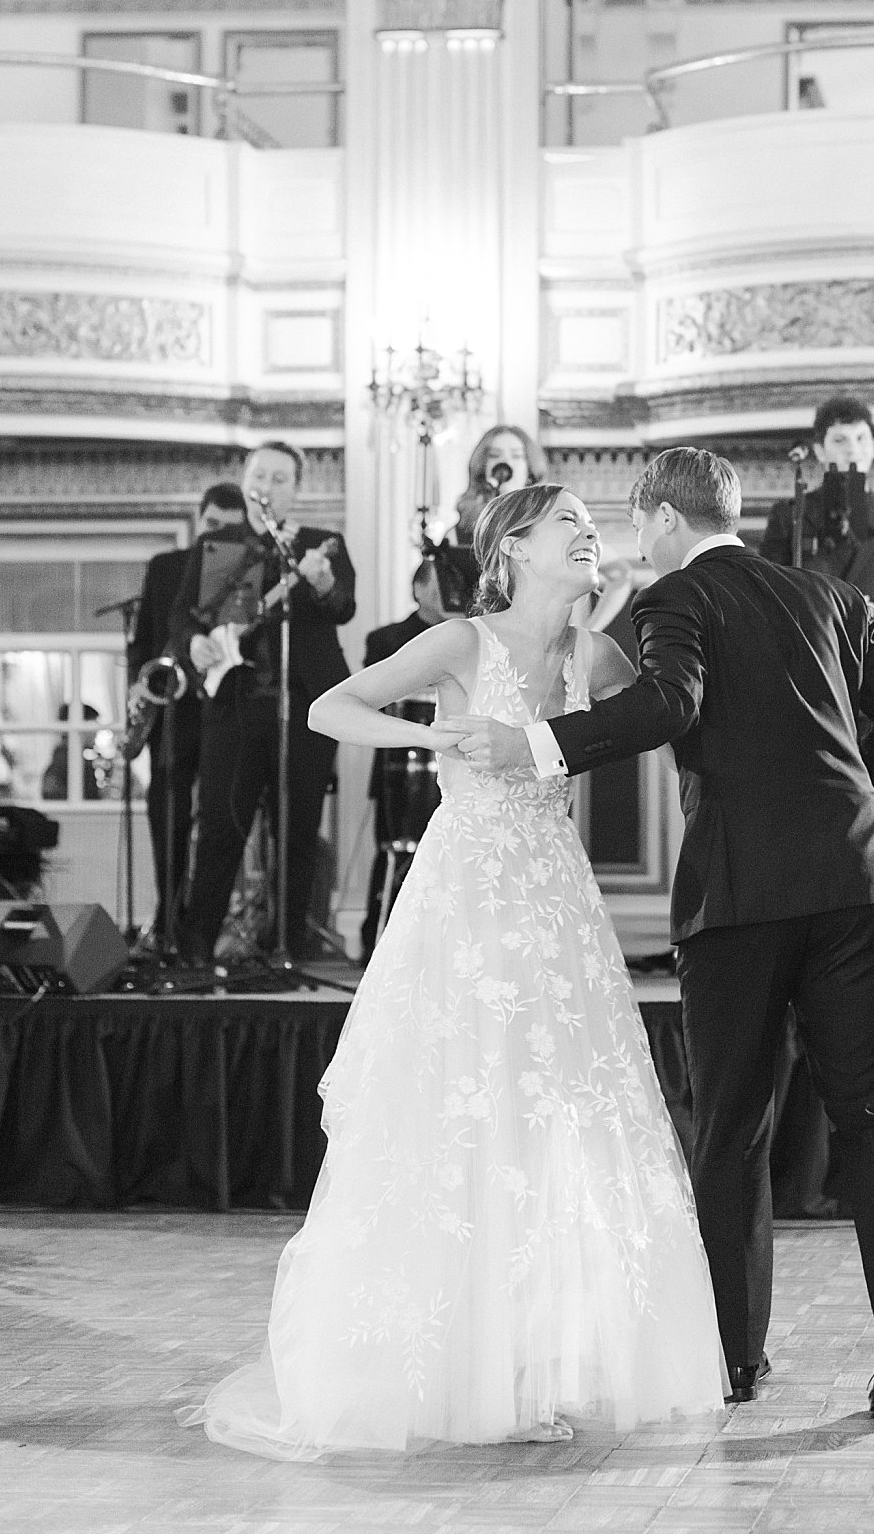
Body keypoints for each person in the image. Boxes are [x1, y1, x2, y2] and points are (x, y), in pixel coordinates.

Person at [187, 484, 726, 1455]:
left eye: (594, 527)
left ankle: (527, 1364)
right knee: (464, 1109)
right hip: (468, 892)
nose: (590, 533)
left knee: (551, 1116)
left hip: (556, 902)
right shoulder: (462, 644)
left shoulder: (593, 653)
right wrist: (432, 735)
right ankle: (455, 1369)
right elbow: (329, 705)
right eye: (570, 523)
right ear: (512, 547)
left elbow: (669, 711)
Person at [446, 447, 874, 1417]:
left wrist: (534, 743)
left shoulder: (675, 597)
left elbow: (673, 702)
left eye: (635, 524)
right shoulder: (835, 597)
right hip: (854, 880)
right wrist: (840, 796)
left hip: (741, 895)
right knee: (871, 1110)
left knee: (733, 1130)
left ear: (663, 518)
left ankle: (735, 1357)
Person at [169, 443, 355, 966]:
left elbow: (344, 606)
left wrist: (321, 582)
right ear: (245, 481)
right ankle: (198, 948)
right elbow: (182, 619)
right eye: (259, 476)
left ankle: (288, 947)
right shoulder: (217, 546)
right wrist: (193, 645)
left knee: (296, 833)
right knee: (220, 829)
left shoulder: (321, 545)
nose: (267, 487)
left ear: (295, 490)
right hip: (233, 706)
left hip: (304, 710)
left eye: (279, 478)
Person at [130, 481, 246, 945]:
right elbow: (146, 636)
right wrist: (138, 688)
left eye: (227, 528)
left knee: (221, 818)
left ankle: (204, 923)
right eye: (211, 523)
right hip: (174, 712)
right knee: (168, 814)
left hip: (226, 707)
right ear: (199, 518)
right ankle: (168, 915)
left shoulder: (246, 565)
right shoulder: (165, 567)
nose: (214, 535)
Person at [758, 394, 874, 651]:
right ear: (820, 450)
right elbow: (766, 590)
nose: (852, 449)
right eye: (840, 440)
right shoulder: (790, 515)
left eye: (861, 438)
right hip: (817, 654)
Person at [358, 549, 467, 958]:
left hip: (454, 760)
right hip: (399, 763)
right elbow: (374, 695)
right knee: (395, 848)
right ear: (420, 588)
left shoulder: (469, 634)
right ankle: (377, 938)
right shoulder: (386, 638)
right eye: (444, 585)